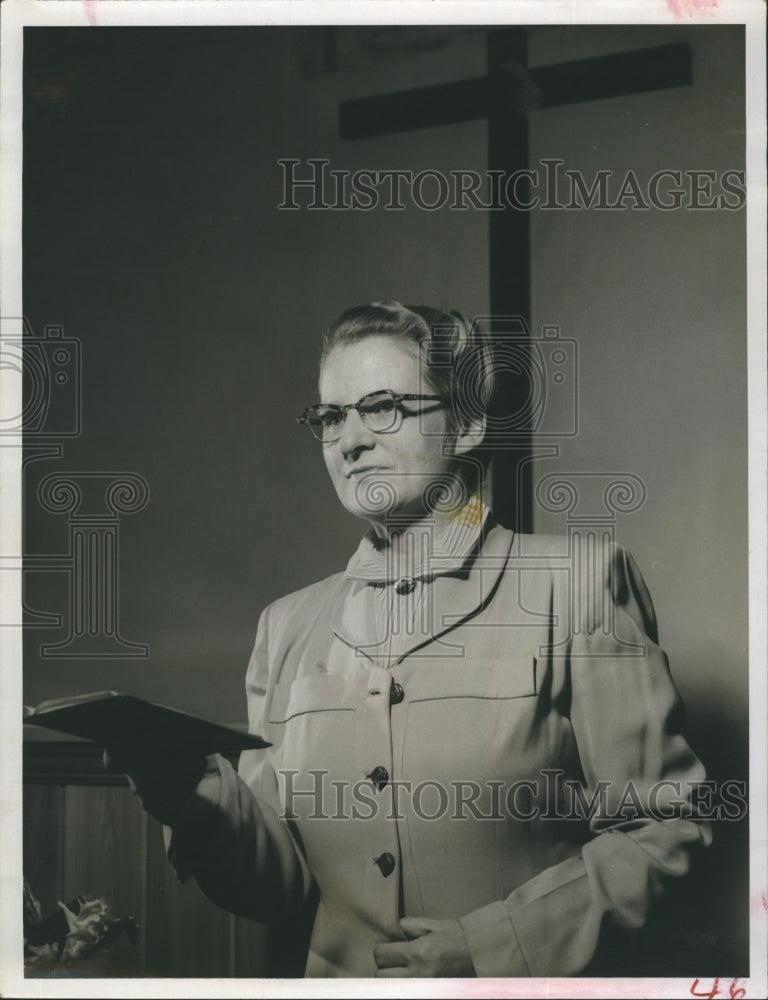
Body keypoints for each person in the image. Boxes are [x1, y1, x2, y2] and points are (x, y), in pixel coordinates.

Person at [112, 301, 711, 978]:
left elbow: (664, 830)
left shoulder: (576, 585)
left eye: (383, 407)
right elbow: (274, 888)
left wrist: (494, 947)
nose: (350, 440)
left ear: (469, 423)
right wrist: (188, 797)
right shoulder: (287, 625)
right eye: (331, 417)